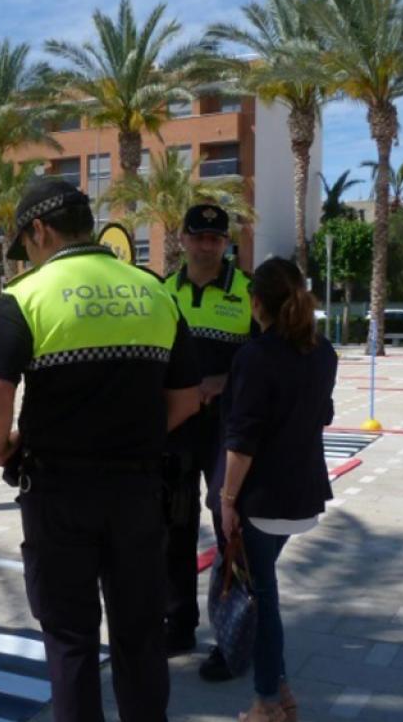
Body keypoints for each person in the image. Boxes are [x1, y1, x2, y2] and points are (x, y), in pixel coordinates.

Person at [0, 179, 201, 721]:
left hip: (58, 494)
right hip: (138, 492)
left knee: (71, 639)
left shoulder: (26, 297)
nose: (27, 258)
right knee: (140, 636)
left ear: (39, 230)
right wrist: (141, 434)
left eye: (26, 247)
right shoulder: (153, 290)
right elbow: (189, 397)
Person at [216, 258, 337, 722]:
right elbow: (322, 414)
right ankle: (281, 693)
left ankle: (266, 701)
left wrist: (227, 502)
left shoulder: (254, 356)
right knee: (264, 590)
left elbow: (242, 440)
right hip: (303, 493)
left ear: (257, 302)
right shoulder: (323, 352)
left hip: (263, 499)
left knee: (264, 600)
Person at [160, 204, 255, 681]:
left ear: (225, 243)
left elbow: (267, 360)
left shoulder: (247, 291)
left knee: (228, 528)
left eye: (215, 238)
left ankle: (232, 639)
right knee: (174, 529)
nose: (206, 245)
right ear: (182, 239)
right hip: (176, 431)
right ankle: (178, 625)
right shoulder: (161, 292)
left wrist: (222, 379)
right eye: (198, 236)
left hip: (225, 431)